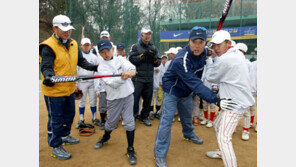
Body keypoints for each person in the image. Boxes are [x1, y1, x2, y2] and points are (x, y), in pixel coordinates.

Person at [153, 26, 238, 167]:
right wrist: (216, 100)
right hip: (172, 91)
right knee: (166, 121)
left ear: (205, 43)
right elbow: (196, 85)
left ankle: (188, 134)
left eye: (201, 42)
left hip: (186, 92)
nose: (197, 46)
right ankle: (160, 154)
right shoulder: (182, 59)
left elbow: (215, 52)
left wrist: (214, 52)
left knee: (187, 117)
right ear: (189, 41)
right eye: (194, 42)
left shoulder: (205, 52)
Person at [39, 15, 99, 160]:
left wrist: (95, 67)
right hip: (54, 91)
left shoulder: (73, 44)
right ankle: (55, 146)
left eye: (69, 29)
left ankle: (65, 136)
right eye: (64, 29)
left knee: (70, 115)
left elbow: (81, 62)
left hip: (69, 89)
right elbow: (46, 66)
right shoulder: (48, 46)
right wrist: (48, 76)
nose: (67, 32)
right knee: (56, 119)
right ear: (55, 28)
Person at [205, 30, 255, 167]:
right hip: (235, 100)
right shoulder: (236, 53)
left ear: (228, 43)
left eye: (218, 45)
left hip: (234, 103)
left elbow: (211, 77)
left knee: (224, 137)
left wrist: (211, 60)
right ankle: (222, 152)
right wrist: (217, 57)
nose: (215, 48)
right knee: (217, 125)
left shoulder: (226, 59)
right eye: (213, 45)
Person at [93, 39, 137, 165]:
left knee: (129, 122)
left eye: (108, 50)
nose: (106, 54)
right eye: (102, 52)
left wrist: (131, 71)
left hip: (128, 95)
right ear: (99, 54)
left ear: (112, 49)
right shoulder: (101, 68)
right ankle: (106, 136)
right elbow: (112, 83)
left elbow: (129, 66)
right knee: (111, 123)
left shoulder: (120, 59)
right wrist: (123, 78)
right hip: (114, 99)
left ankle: (130, 149)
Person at [129, 26, 161, 126]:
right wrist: (142, 56)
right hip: (138, 78)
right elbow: (131, 59)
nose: (147, 36)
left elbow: (158, 62)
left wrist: (154, 59)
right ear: (141, 35)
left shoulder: (153, 48)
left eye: (149, 34)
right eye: (145, 34)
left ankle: (144, 117)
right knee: (135, 100)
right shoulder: (136, 47)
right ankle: (133, 117)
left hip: (149, 79)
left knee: (147, 100)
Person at [75, 38, 100, 128]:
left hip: (92, 81)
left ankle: (94, 118)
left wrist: (97, 85)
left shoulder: (94, 57)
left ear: (90, 45)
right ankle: (81, 119)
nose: (86, 47)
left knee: (93, 101)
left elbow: (97, 71)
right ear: (81, 46)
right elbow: (76, 71)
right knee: (82, 101)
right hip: (82, 82)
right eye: (84, 45)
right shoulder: (78, 56)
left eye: (88, 45)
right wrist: (76, 85)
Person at [235, 43, 253, 140]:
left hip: (244, 91)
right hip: (235, 91)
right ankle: (234, 126)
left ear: (243, 52)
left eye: (238, 51)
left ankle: (246, 130)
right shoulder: (233, 62)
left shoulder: (248, 64)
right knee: (234, 110)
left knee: (246, 112)